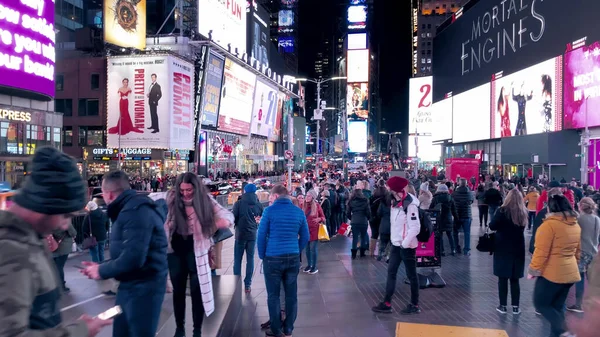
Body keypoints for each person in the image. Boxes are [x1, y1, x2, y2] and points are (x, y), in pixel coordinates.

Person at [0, 146, 111, 336]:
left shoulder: (29, 242)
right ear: (45, 205)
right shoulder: (12, 250)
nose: (65, 224)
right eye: (65, 215)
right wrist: (79, 332)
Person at [81, 170, 169, 337]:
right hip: (133, 286)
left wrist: (100, 271)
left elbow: (133, 258)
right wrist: (101, 266)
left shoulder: (133, 211)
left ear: (110, 194)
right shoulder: (131, 209)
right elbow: (128, 252)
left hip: (142, 289)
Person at [165, 172, 234, 337]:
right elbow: (152, 199)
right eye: (182, 190)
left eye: (189, 190)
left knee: (198, 292)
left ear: (195, 187)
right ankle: (179, 329)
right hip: (175, 251)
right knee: (178, 291)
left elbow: (228, 215)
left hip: (197, 251)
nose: (186, 193)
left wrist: (218, 223)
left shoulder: (205, 201)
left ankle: (197, 330)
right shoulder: (171, 198)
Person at [257, 185, 310, 337]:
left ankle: (276, 329)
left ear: (275, 196)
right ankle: (288, 329)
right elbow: (305, 237)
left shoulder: (269, 211)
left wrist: (263, 255)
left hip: (273, 257)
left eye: (270, 198)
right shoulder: (299, 212)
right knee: (291, 295)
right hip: (292, 257)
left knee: (273, 295)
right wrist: (296, 249)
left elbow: (261, 236)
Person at [528, 194, 581, 337]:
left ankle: (565, 330)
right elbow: (577, 251)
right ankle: (559, 334)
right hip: (570, 273)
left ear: (551, 207)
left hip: (552, 274)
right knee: (557, 308)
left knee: (541, 304)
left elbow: (541, 251)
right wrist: (574, 264)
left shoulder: (549, 225)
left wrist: (533, 270)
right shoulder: (575, 224)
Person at [372, 176, 421, 315]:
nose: (387, 189)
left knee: (411, 275)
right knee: (391, 273)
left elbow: (415, 227)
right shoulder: (394, 202)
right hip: (396, 245)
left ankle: (415, 304)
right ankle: (387, 303)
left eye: (389, 187)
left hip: (407, 246)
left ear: (395, 189)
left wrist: (404, 244)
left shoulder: (410, 205)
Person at [489, 189, 528, 315]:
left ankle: (503, 306)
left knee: (503, 277)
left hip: (503, 246)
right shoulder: (522, 212)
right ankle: (516, 307)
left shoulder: (502, 210)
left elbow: (492, 226)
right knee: (515, 278)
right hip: (518, 246)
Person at [567, 197, 600, 313]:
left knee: (580, 278)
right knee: (592, 279)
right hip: (594, 252)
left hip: (582, 252)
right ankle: (594, 303)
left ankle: (579, 304)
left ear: (581, 206)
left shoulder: (579, 219)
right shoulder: (597, 219)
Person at [233, 183, 263, 293]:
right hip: (252, 235)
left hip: (240, 235)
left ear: (245, 191)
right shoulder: (259, 205)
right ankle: (248, 285)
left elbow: (233, 218)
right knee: (250, 260)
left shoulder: (239, 203)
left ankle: (236, 283)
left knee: (237, 260)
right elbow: (260, 218)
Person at [430, 184, 458, 256]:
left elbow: (431, 208)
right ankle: (453, 249)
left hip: (439, 218)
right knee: (450, 235)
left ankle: (442, 251)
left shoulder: (436, 198)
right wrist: (456, 218)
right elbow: (454, 210)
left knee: (440, 235)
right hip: (448, 218)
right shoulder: (450, 197)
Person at [303, 189, 325, 274]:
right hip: (305, 230)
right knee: (307, 249)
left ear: (312, 197)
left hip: (314, 230)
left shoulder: (317, 205)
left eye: (308, 196)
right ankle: (309, 265)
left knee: (312, 249)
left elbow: (323, 217)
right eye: (306, 195)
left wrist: (319, 219)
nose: (306, 197)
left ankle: (314, 266)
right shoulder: (303, 206)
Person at [52, 218, 77, 292]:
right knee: (59, 267)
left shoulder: (48, 219)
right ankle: (61, 286)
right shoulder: (63, 220)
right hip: (63, 246)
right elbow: (73, 233)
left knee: (55, 266)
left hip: (52, 245)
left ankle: (54, 285)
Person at [347, 186, 371, 259]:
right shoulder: (365, 201)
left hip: (354, 220)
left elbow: (348, 213)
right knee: (363, 237)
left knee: (355, 238)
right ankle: (362, 253)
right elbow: (368, 212)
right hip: (363, 221)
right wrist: (367, 218)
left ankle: (353, 254)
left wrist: (352, 218)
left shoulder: (351, 202)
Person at [453, 178, 474, 256]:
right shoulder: (469, 193)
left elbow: (452, 203)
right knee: (467, 233)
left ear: (459, 184)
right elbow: (471, 201)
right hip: (467, 215)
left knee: (455, 232)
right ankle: (466, 250)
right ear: (466, 184)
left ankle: (456, 247)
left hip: (457, 215)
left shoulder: (454, 193)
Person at [369, 183, 387, 257]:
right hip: (382, 219)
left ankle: (371, 252)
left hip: (372, 218)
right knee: (383, 236)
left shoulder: (371, 198)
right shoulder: (385, 200)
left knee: (374, 235)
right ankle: (382, 252)